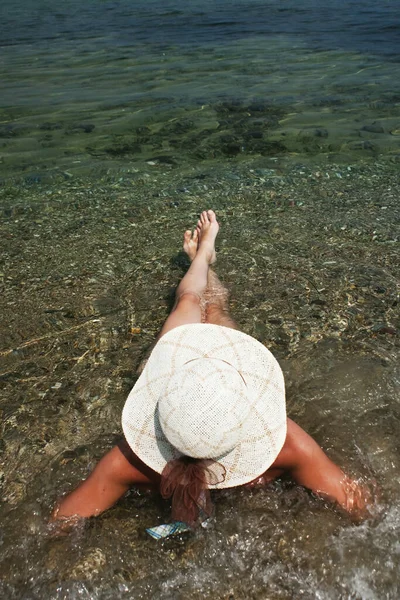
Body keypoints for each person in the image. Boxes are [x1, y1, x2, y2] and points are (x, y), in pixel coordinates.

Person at [52, 210, 370, 528]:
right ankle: (203, 255)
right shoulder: (288, 448)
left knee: (189, 301)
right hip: (215, 372)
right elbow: (359, 504)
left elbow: (62, 520)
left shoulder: (130, 464)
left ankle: (201, 256)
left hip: (185, 370)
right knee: (215, 308)